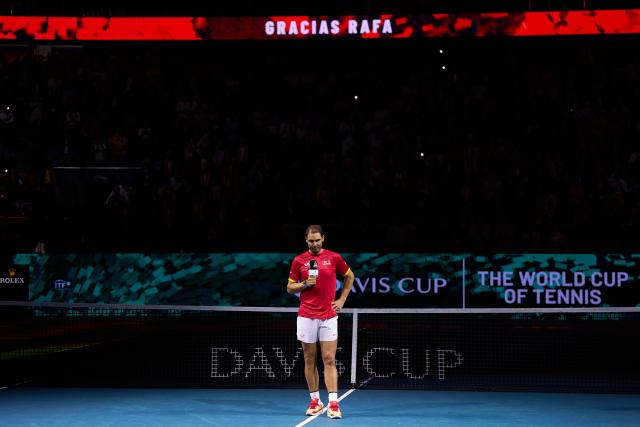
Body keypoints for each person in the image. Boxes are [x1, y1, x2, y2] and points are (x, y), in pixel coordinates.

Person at [287, 224, 355, 419]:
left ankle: (333, 403)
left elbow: (350, 276)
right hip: (306, 316)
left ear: (323, 238)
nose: (315, 244)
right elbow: (290, 288)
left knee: (329, 359)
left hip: (328, 316)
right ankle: (315, 400)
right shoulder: (298, 260)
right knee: (309, 359)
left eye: (317, 240)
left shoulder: (334, 257)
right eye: (311, 241)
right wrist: (304, 284)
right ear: (306, 240)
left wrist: (341, 299)